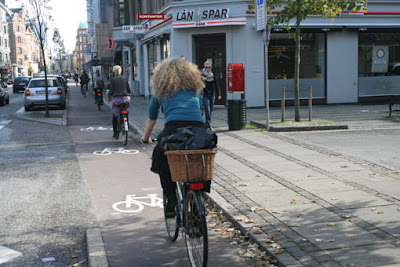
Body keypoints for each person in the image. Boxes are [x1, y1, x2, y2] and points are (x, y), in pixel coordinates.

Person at [140, 57, 206, 215]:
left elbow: (152, 118)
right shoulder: (195, 88)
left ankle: (171, 200)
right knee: (200, 157)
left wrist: (145, 138)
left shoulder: (161, 90)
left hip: (173, 129)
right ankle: (199, 196)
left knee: (162, 159)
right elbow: (199, 107)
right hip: (198, 129)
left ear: (162, 76)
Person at [109, 65, 131, 139]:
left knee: (115, 115)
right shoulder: (125, 78)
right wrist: (130, 92)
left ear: (114, 72)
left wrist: (109, 93)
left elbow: (111, 91)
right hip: (125, 99)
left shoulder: (112, 80)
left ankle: (115, 133)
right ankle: (126, 122)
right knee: (125, 110)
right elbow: (128, 89)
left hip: (117, 100)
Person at [202, 60, 222, 130]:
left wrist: (219, 94)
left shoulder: (213, 75)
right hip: (205, 94)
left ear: (211, 68)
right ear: (204, 67)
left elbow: (217, 85)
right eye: (206, 67)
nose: (208, 69)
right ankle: (209, 123)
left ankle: (207, 122)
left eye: (209, 67)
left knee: (211, 109)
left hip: (212, 94)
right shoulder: (202, 75)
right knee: (207, 109)